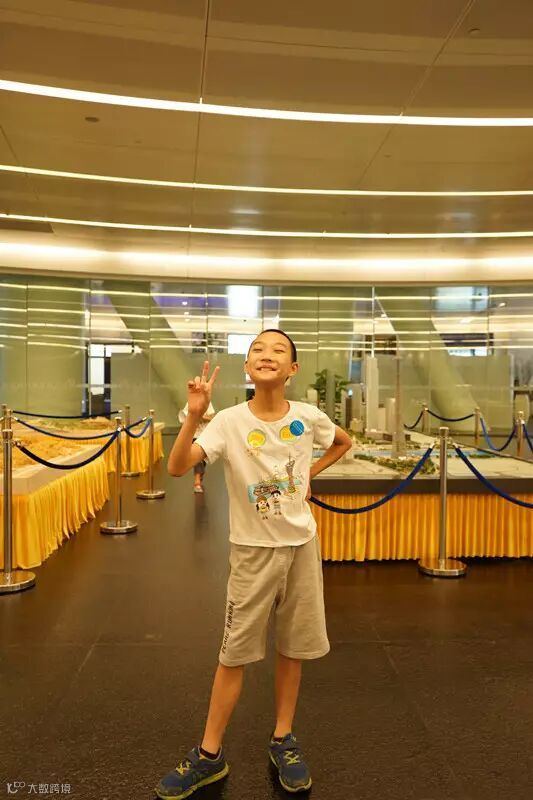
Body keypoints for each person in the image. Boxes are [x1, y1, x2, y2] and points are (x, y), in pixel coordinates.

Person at [156, 329, 352, 799]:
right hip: (251, 552)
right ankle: (209, 754)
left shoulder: (308, 417)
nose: (267, 355)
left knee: (293, 647)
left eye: (279, 350)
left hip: (302, 547)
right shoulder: (228, 421)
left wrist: (309, 475)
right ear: (247, 367)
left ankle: (283, 738)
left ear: (293, 369)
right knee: (234, 654)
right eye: (258, 350)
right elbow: (178, 467)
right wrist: (194, 416)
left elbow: (343, 442)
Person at [178, 401, 215, 493]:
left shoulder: (208, 403)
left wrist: (202, 417)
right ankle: (197, 482)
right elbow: (184, 418)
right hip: (194, 435)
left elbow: (212, 418)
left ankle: (200, 475)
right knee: (197, 459)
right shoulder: (190, 403)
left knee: (203, 459)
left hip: (205, 435)